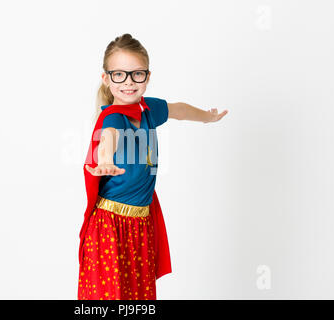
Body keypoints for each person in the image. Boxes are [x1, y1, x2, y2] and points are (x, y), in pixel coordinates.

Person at [78, 33, 228, 300]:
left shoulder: (148, 110)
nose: (128, 82)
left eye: (137, 74)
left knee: (138, 297)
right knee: (111, 299)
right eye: (119, 75)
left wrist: (208, 116)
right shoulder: (113, 116)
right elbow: (108, 138)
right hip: (111, 227)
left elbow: (178, 110)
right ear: (106, 79)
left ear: (147, 77)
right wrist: (105, 161)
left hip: (139, 224)